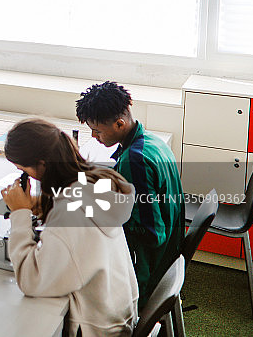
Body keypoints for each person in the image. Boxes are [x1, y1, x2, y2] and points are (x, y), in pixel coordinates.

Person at [1, 118, 138, 337]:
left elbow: (32, 281)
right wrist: (45, 204)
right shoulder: (93, 182)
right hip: (116, 313)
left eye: (24, 169)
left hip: (96, 328)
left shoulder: (70, 213)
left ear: (42, 163)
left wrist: (19, 214)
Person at [75, 80, 184, 309]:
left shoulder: (135, 161)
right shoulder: (150, 141)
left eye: (97, 131)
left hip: (149, 266)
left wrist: (99, 223)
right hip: (170, 251)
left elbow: (151, 233)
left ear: (119, 123)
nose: (94, 136)